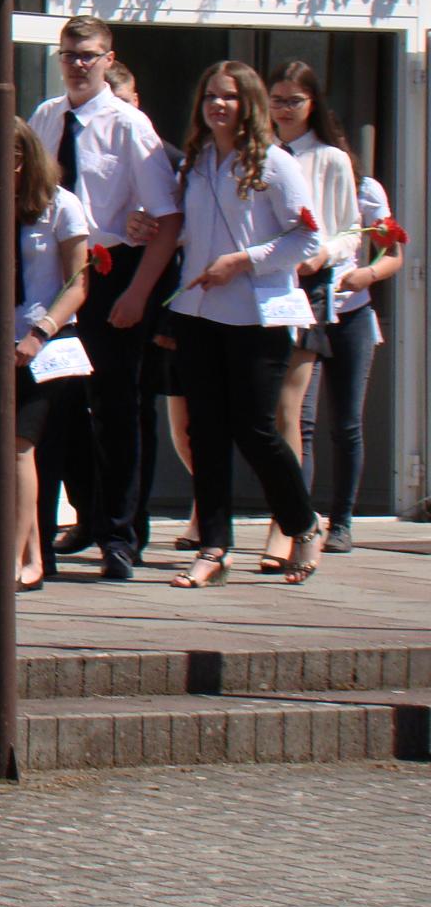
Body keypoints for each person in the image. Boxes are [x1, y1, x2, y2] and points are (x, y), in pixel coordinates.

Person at [28, 16, 182, 581]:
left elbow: (167, 218)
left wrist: (139, 293)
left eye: (88, 55)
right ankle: (37, 540)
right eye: (69, 54)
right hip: (55, 278)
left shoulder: (128, 124)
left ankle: (119, 536)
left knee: (116, 412)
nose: (78, 64)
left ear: (107, 58)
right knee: (53, 412)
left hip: (112, 274)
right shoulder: (46, 117)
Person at [168, 61, 326, 589]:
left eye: (229, 97)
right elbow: (186, 230)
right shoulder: (196, 162)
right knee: (205, 431)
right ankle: (214, 546)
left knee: (255, 429)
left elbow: (307, 238)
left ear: (249, 103)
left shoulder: (275, 163)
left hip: (258, 316)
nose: (218, 105)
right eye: (210, 96)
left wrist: (243, 261)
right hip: (198, 313)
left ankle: (303, 523)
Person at [0, 120, 90, 590]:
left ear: (29, 157)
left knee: (19, 448)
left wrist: (40, 333)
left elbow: (78, 283)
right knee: (0, 451)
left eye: (14, 157)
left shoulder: (62, 206)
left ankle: (11, 558)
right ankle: (33, 556)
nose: (7, 166)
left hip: (44, 344)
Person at [260, 61, 361, 572]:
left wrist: (324, 254)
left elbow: (351, 230)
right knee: (252, 414)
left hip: (308, 287)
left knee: (290, 412)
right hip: (258, 283)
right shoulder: (258, 154)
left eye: (293, 101)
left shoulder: (330, 159)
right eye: (275, 100)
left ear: (312, 103)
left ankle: (287, 527)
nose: (283, 110)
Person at [107, 60, 191, 556]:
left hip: (153, 306)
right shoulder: (86, 154)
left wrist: (166, 317)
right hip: (97, 298)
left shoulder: (170, 159)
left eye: (123, 104)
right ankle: (97, 520)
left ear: (137, 104)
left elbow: (188, 236)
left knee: (138, 413)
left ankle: (132, 529)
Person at [307, 170, 403, 553]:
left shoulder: (364, 188)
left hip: (352, 315)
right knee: (300, 422)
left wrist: (368, 274)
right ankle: (298, 522)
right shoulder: (297, 178)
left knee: (347, 424)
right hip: (307, 313)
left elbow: (393, 254)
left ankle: (341, 523)